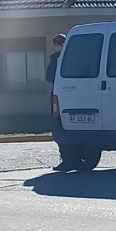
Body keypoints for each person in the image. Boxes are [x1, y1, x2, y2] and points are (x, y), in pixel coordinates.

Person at [46, 33, 77, 171]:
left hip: (66, 94)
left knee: (65, 125)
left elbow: (50, 76)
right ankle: (66, 158)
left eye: (57, 44)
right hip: (63, 94)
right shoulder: (57, 58)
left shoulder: (68, 57)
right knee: (61, 126)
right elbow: (49, 76)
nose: (55, 47)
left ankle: (71, 159)